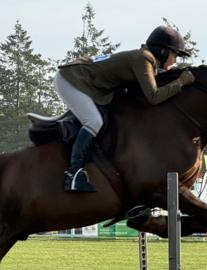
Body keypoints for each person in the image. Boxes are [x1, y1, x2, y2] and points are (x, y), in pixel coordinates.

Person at [55, 26, 195, 193]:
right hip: (71, 79)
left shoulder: (144, 58)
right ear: (163, 51)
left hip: (82, 81)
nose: (175, 61)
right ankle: (74, 175)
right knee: (94, 121)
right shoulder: (144, 59)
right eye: (175, 55)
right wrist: (180, 82)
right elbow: (154, 96)